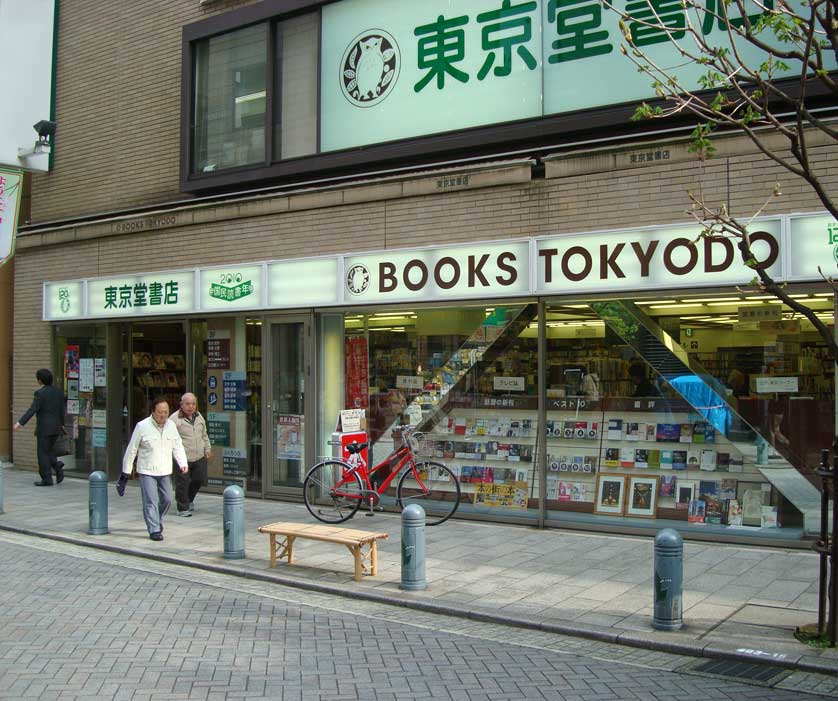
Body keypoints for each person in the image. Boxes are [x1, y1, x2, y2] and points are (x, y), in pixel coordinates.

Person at [118, 397, 188, 541]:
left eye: (166, 412)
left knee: (168, 499)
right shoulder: (142, 426)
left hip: (165, 470)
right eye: (160, 412)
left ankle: (157, 519)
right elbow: (132, 450)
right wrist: (126, 473)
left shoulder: (171, 426)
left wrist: (182, 463)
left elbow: (177, 446)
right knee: (151, 500)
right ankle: (154, 529)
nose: (163, 415)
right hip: (147, 470)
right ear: (153, 412)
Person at [13, 368, 67, 486]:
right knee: (48, 451)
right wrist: (62, 424)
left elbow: (32, 409)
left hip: (45, 429)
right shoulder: (59, 392)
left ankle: (47, 479)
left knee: (42, 453)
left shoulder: (40, 393)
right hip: (56, 428)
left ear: (40, 380)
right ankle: (57, 466)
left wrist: (19, 423)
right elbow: (62, 410)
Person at [170, 392, 212, 517]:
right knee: (182, 482)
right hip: (183, 457)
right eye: (188, 404)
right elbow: (169, 438)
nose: (191, 407)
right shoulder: (174, 419)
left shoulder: (199, 417)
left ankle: (189, 499)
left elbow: (204, 434)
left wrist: (207, 448)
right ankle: (182, 508)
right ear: (181, 404)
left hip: (199, 455)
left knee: (199, 479)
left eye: (193, 404)